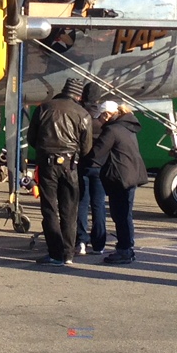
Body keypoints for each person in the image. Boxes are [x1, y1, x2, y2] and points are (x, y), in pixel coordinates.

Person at [29, 77, 93, 266]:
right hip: (70, 165)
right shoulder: (83, 114)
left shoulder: (44, 108)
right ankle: (68, 254)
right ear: (79, 95)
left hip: (48, 163)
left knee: (49, 209)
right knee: (70, 210)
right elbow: (86, 146)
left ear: (63, 90)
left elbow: (32, 138)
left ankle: (55, 253)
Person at [92, 101, 150, 264]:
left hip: (119, 177)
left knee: (120, 215)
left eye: (101, 117)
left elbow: (97, 153)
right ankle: (127, 248)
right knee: (126, 214)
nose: (100, 122)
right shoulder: (127, 126)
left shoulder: (112, 130)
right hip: (131, 174)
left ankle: (124, 250)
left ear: (106, 115)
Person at [74, 83, 107, 255]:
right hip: (100, 167)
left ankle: (81, 241)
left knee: (81, 203)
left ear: (82, 96)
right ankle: (99, 243)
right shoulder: (103, 119)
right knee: (98, 205)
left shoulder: (79, 115)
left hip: (82, 165)